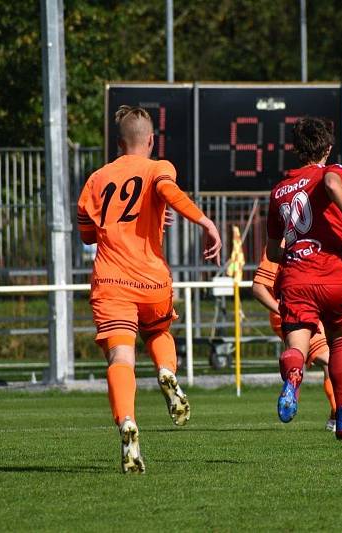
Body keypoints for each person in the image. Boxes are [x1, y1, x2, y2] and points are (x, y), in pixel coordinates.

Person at [77, 105, 222, 473]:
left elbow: (88, 234)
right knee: (158, 330)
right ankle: (166, 371)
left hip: (111, 282)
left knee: (120, 359)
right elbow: (166, 190)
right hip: (152, 280)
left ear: (119, 142)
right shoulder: (159, 166)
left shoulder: (96, 179)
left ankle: (127, 421)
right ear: (152, 140)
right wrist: (204, 221)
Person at [265, 117, 342, 440]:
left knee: (296, 347)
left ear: (296, 150)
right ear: (327, 148)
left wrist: (296, 248)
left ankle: (293, 380)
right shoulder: (333, 171)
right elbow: (331, 183)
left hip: (297, 277)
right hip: (333, 275)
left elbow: (273, 252)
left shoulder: (278, 193)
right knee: (337, 338)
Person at [252, 247, 342, 432]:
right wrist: (285, 311)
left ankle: (298, 384)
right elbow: (258, 287)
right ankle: (338, 418)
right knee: (333, 359)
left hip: (310, 308)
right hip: (296, 310)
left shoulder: (309, 237)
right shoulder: (284, 240)